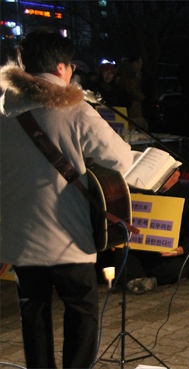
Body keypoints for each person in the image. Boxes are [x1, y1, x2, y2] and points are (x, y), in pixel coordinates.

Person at [0, 30, 134, 368]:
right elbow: (120, 160)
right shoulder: (77, 111)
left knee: (33, 313)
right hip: (68, 237)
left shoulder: (4, 113)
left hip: (20, 236)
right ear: (61, 67)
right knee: (82, 311)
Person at [117, 168, 189, 294]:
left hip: (168, 254)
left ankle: (151, 281)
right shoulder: (147, 192)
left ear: (177, 175)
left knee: (180, 267)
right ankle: (136, 279)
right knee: (122, 253)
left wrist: (181, 249)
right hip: (143, 250)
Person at [115, 55, 148, 130]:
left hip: (133, 108)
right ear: (135, 62)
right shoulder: (130, 73)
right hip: (132, 109)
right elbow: (131, 89)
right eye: (140, 62)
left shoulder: (126, 71)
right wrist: (142, 97)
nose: (141, 65)